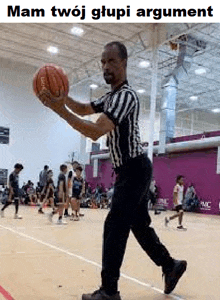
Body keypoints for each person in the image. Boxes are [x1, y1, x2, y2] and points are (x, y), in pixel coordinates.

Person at [38, 41, 187, 299]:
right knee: (139, 226)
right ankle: (170, 265)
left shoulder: (125, 96)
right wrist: (62, 98)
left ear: (124, 63)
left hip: (134, 169)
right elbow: (85, 108)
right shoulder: (110, 97)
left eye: (112, 61)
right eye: (103, 62)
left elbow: (95, 130)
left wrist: (59, 110)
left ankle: (109, 291)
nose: (106, 66)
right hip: (132, 170)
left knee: (115, 225)